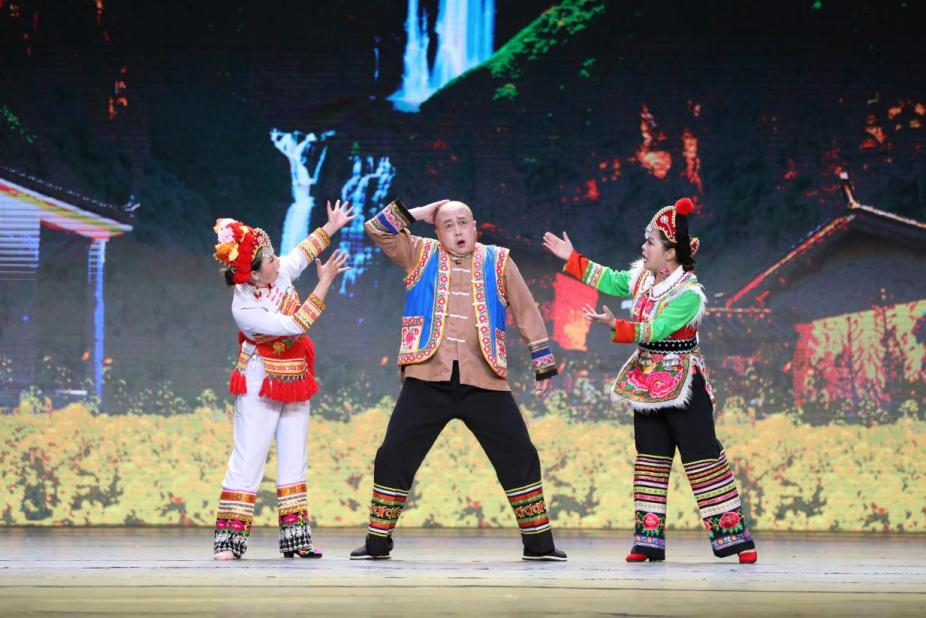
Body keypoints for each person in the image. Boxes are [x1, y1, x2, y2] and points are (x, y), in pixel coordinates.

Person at [542, 197, 757, 564]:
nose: (643, 248)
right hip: (646, 382)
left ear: (670, 252)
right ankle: (648, 541)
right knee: (650, 459)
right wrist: (571, 258)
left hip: (683, 384)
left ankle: (736, 540)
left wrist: (617, 326)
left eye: (650, 242)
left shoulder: (689, 295)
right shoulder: (642, 277)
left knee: (703, 458)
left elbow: (656, 329)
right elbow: (611, 279)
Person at [350, 198, 566, 561]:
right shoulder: (419, 252)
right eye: (448, 225)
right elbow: (376, 229)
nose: (457, 231)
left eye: (463, 223)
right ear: (437, 232)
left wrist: (542, 362)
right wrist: (422, 212)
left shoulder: (499, 260)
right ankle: (377, 541)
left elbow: (526, 310)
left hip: (484, 378)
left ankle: (539, 544)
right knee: (394, 454)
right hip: (427, 376)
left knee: (519, 453)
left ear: (476, 227)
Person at [211, 200, 355, 560]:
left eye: (275, 255)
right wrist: (325, 282)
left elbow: (302, 254)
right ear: (253, 274)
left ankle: (296, 540)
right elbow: (295, 324)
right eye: (270, 259)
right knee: (249, 457)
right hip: (260, 381)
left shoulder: (277, 273)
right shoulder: (244, 308)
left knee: (294, 457)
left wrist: (331, 226)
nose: (278, 261)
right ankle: (228, 542)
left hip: (294, 376)